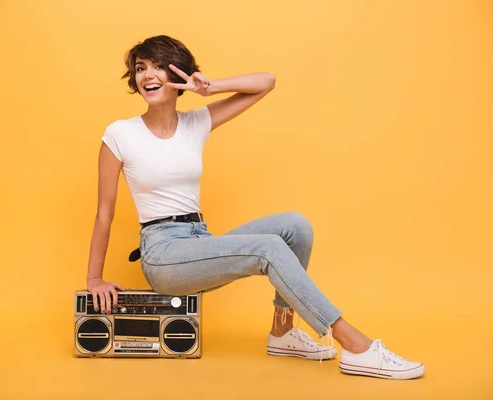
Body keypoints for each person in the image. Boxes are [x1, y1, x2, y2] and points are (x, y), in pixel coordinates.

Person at [85, 35, 425, 380]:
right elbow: (104, 212)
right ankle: (356, 345)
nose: (147, 75)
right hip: (163, 254)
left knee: (295, 225)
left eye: (158, 65)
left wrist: (211, 86)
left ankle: (282, 332)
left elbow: (266, 82)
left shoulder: (195, 123)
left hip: (199, 240)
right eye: (140, 68)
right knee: (268, 247)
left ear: (178, 75)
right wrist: (94, 279)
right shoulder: (120, 134)